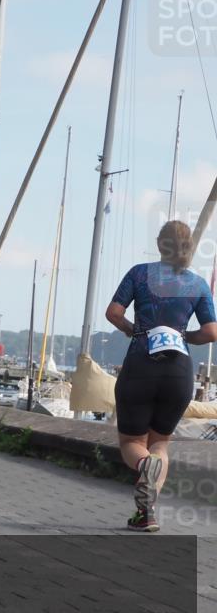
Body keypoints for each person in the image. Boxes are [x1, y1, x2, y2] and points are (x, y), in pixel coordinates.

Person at [106, 220, 217, 532]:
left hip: (141, 362)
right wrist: (182, 337)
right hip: (179, 370)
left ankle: (144, 466)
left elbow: (113, 312)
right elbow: (211, 332)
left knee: (132, 442)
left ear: (159, 244)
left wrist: (134, 330)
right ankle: (147, 514)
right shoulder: (197, 284)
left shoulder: (139, 273)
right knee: (161, 444)